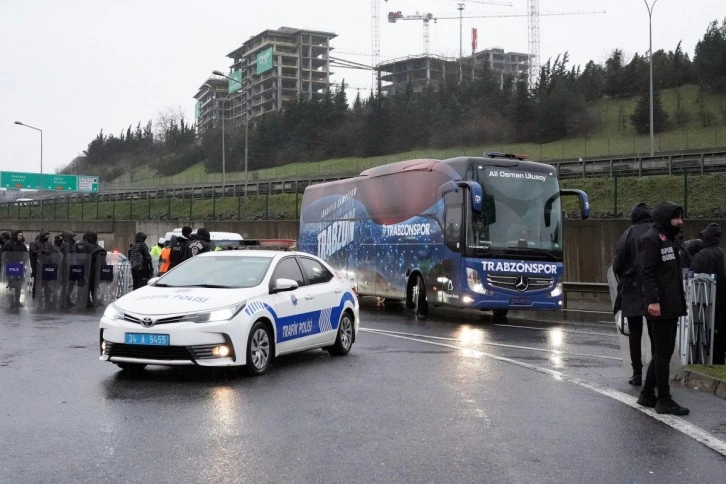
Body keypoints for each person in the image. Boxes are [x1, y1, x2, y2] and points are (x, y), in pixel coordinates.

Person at [636, 201, 689, 415]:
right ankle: (664, 399)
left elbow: (672, 275)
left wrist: (680, 299)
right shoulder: (650, 239)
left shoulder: (669, 240)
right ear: (666, 218)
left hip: (671, 303)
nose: (680, 222)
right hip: (659, 305)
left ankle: (648, 394)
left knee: (661, 351)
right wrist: (653, 301)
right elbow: (647, 273)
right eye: (676, 218)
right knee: (664, 352)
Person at [613, 202, 654, 386]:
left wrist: (625, 280)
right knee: (656, 333)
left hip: (631, 288)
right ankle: (656, 372)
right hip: (653, 288)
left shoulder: (626, 235)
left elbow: (617, 265)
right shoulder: (657, 232)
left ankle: (637, 373)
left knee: (634, 333)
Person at [690, 223, 726, 364]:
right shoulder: (723, 254)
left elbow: (692, 278)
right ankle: (719, 361)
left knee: (704, 334)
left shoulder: (701, 256)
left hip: (703, 302)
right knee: (719, 336)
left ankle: (704, 359)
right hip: (722, 303)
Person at [75, 231, 107, 307]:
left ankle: (83, 300)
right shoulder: (95, 247)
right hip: (92, 270)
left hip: (80, 269)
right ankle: (92, 301)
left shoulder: (78, 245)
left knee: (83, 286)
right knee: (93, 286)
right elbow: (102, 259)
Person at [2, 231, 28, 308]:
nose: (21, 237)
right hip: (10, 266)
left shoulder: (22, 245)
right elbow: (4, 255)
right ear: (15, 235)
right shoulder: (8, 244)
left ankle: (17, 301)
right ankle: (10, 301)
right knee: (11, 285)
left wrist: (22, 261)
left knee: (18, 285)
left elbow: (25, 254)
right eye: (19, 235)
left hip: (19, 266)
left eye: (21, 235)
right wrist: (9, 262)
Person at [29, 229, 52, 299]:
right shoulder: (35, 243)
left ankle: (47, 296)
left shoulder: (48, 243)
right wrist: (42, 251)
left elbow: (52, 251)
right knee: (37, 281)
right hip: (38, 265)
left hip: (47, 265)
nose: (47, 237)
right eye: (46, 236)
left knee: (46, 282)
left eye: (48, 236)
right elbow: (33, 252)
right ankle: (35, 294)